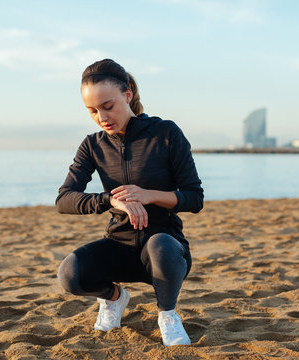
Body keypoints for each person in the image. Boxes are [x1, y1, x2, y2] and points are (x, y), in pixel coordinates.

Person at [56, 58, 203, 347]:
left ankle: (167, 314)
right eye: (92, 110)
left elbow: (194, 198)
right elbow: (64, 199)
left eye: (108, 106)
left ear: (128, 94)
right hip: (118, 246)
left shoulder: (166, 134)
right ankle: (114, 298)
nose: (101, 117)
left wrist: (149, 196)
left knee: (160, 246)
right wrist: (110, 199)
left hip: (165, 250)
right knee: (69, 274)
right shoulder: (92, 145)